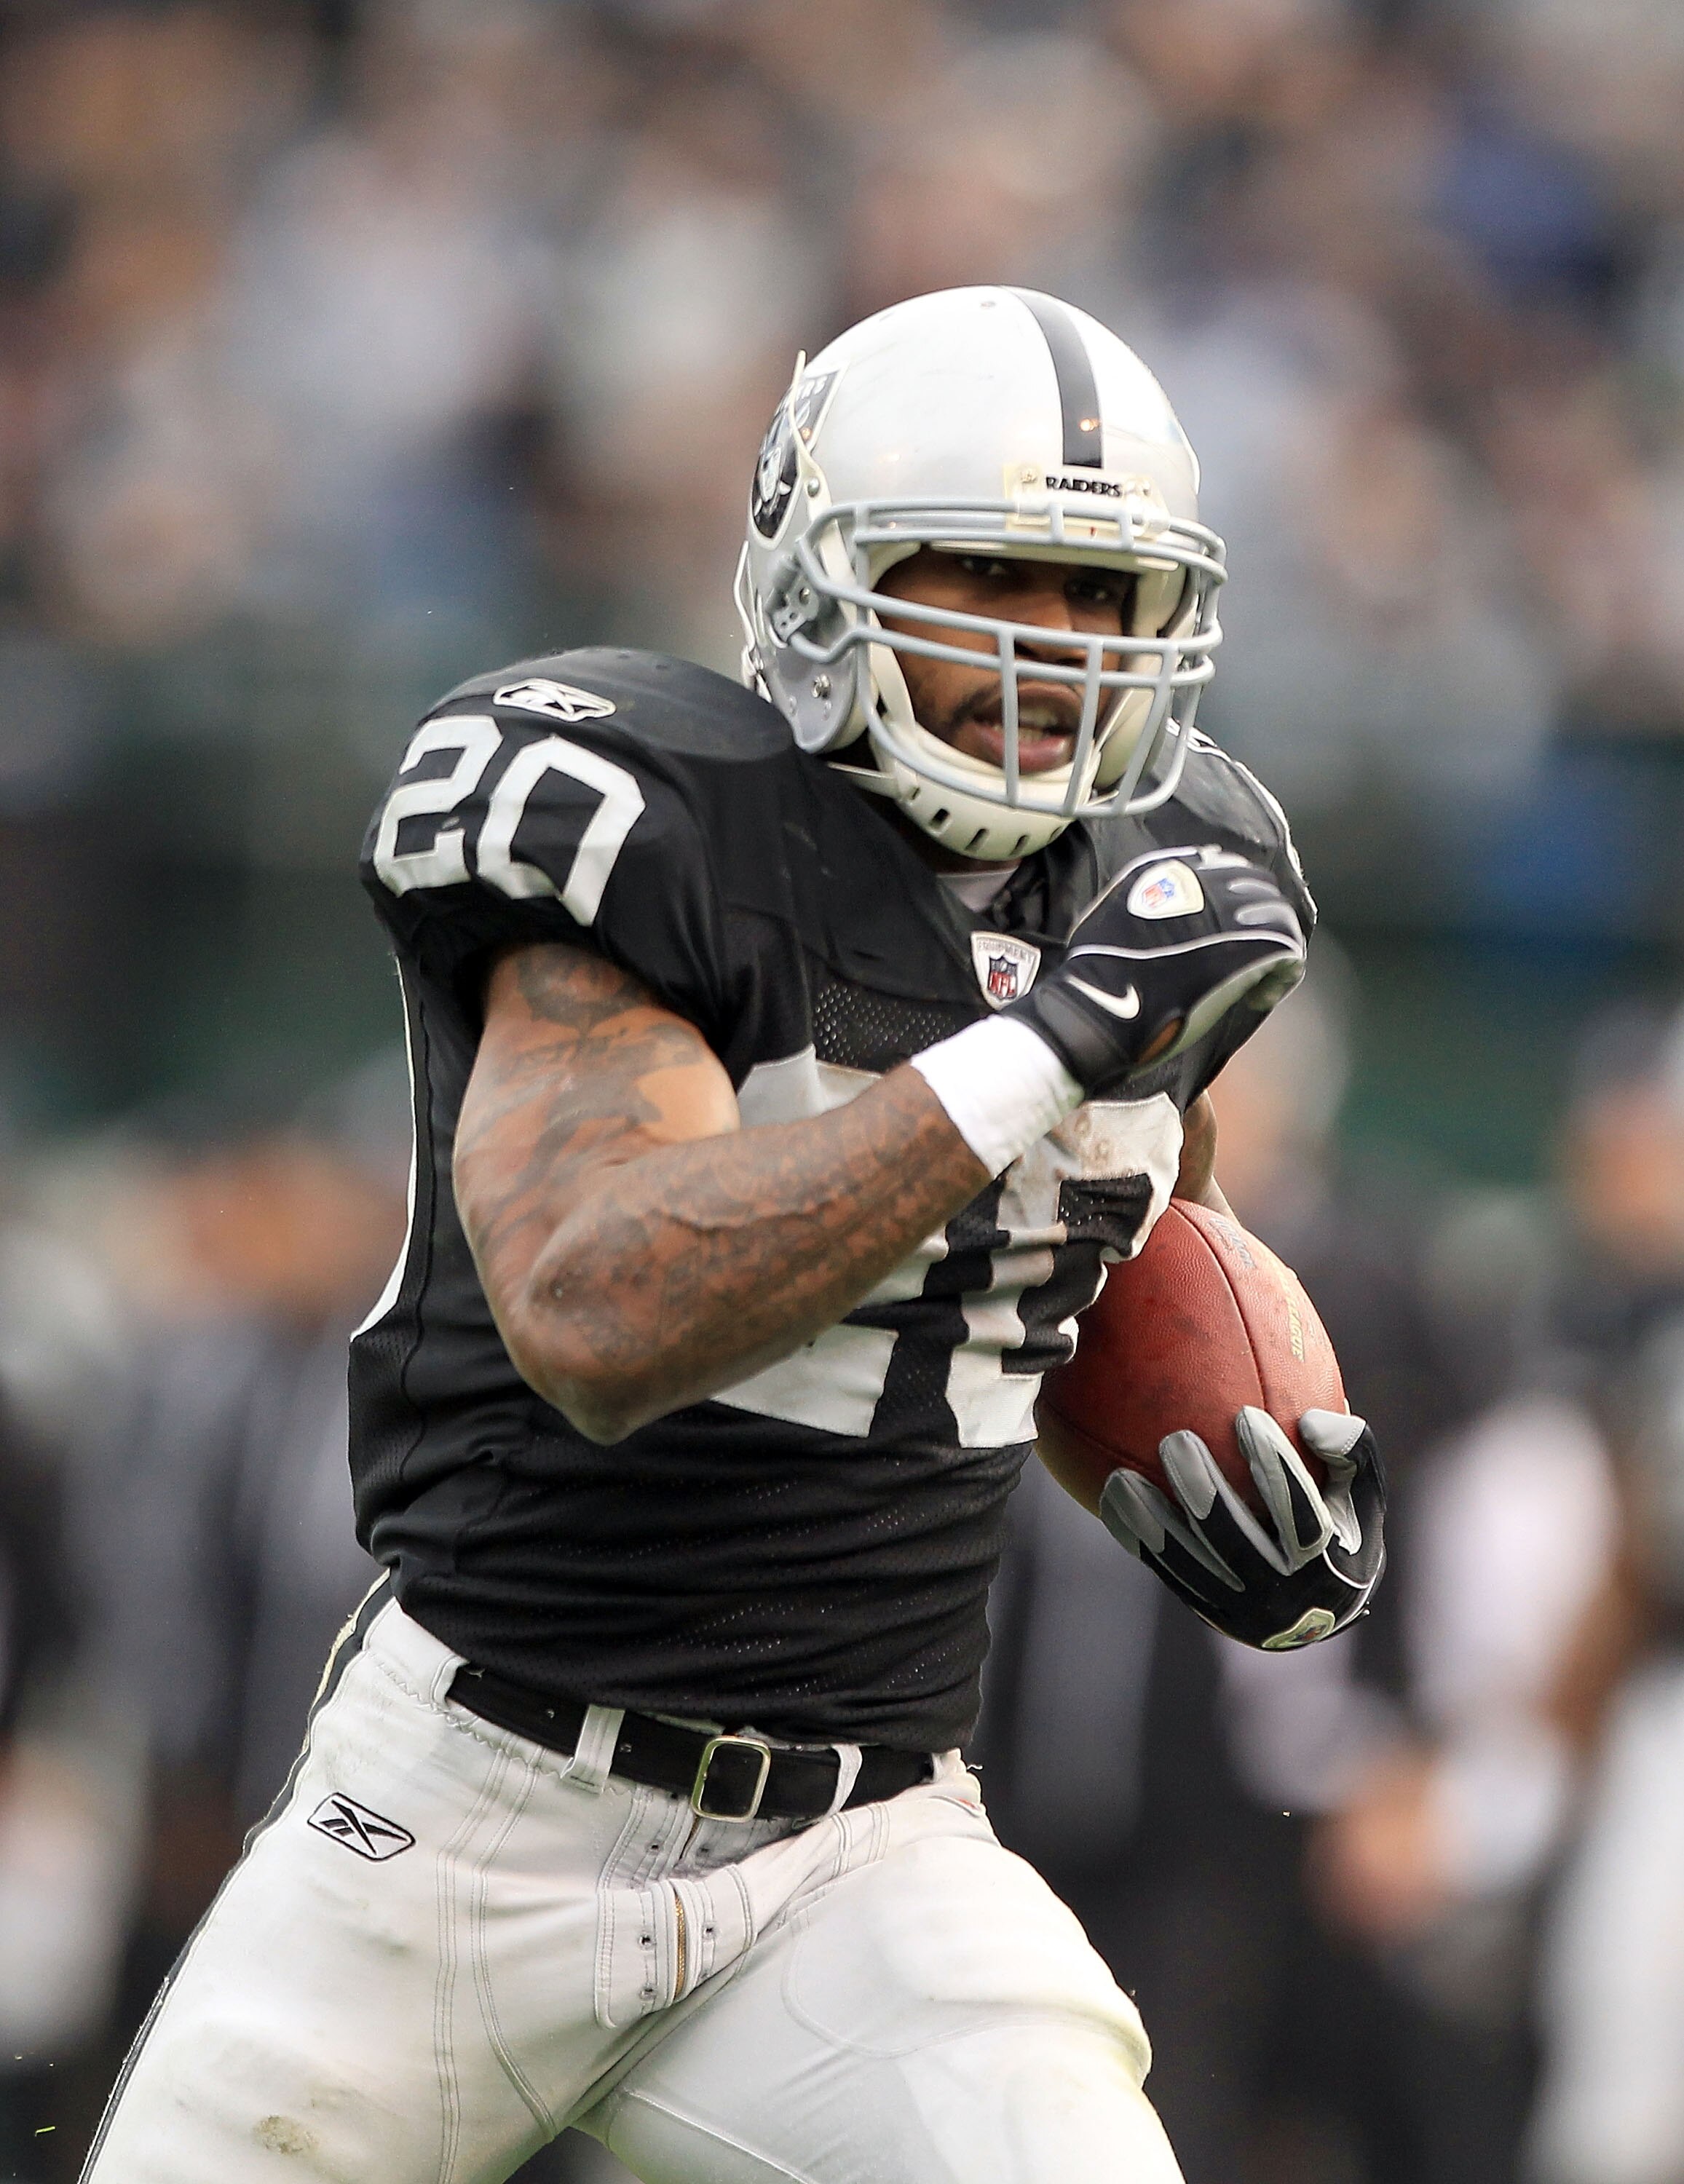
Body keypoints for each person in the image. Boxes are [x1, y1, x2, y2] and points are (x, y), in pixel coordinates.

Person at [82, 286, 1385, 2184]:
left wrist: (1213, 1468)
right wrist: (1041, 1042)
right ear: (815, 571)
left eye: (1099, 595)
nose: (1049, 649)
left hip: (857, 1850)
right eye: (989, 576)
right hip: (468, 1822)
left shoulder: (1171, 867)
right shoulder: (649, 816)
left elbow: (1113, 1231)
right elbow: (598, 1304)